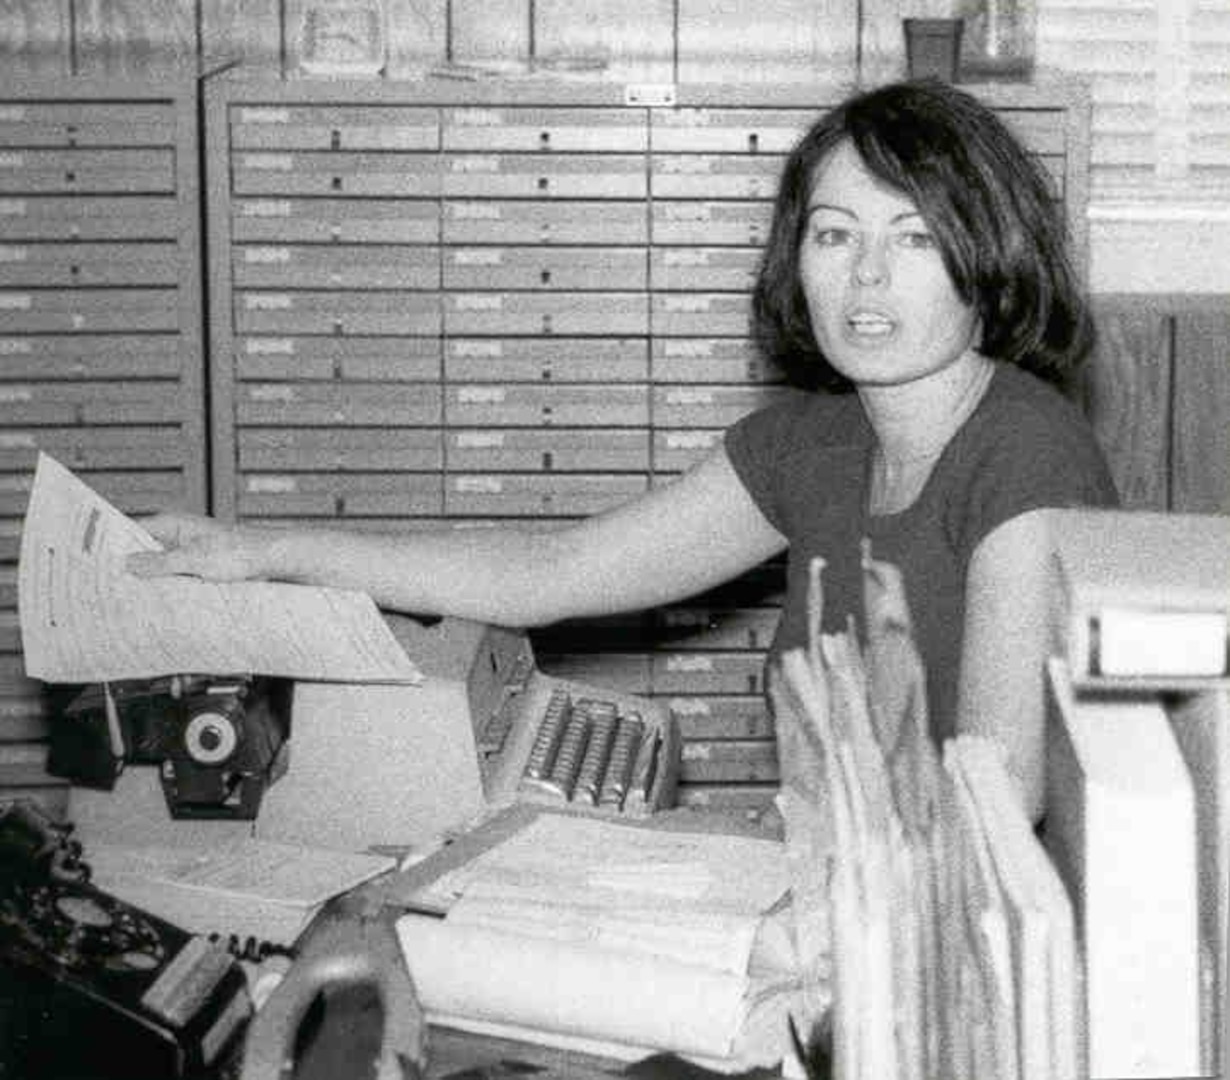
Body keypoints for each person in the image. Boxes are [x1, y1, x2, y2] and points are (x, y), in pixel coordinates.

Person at [128, 79, 1117, 822]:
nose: (864, 277)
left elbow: (998, 797)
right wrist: (261, 550)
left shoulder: (1028, 460)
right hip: (838, 887)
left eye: (912, 239)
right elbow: (547, 572)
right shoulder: (810, 442)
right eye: (832, 234)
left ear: (987, 264)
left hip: (950, 953)